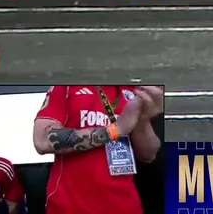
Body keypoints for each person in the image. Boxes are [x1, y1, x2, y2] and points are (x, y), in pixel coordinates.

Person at [33, 85, 164, 214]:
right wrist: (114, 130)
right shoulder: (66, 86)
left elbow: (148, 155)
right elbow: (42, 140)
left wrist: (143, 119)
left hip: (126, 206)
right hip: (72, 206)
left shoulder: (134, 90)